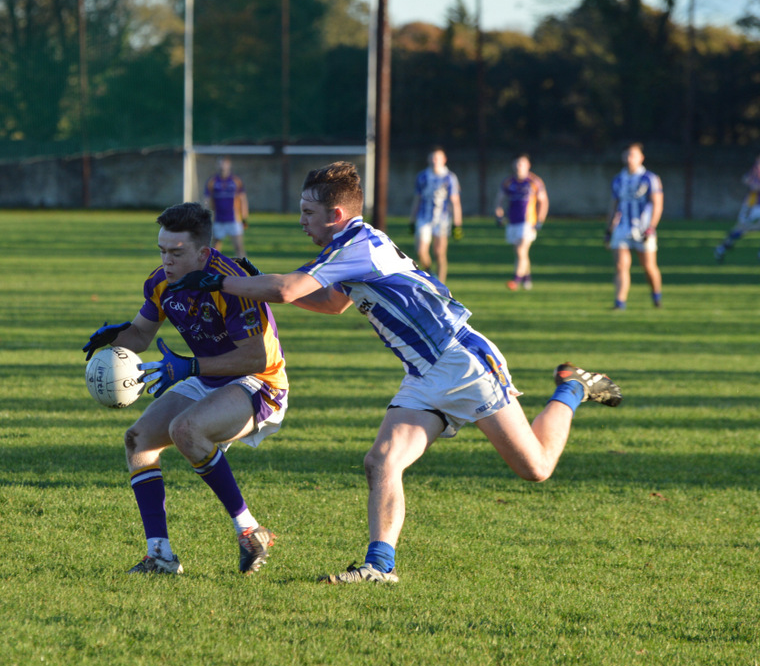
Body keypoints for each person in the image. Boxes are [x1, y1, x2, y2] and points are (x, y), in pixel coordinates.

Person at [169, 162, 622, 585]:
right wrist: (259, 285)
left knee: (536, 468)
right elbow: (330, 302)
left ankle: (571, 387)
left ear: (337, 213)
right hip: (424, 373)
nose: (301, 220)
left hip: (463, 363)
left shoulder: (357, 245)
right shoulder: (346, 247)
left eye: (308, 212)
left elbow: (288, 289)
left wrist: (222, 281)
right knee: (381, 461)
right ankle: (378, 567)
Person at [81, 202, 288, 576]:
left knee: (185, 429)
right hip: (206, 376)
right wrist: (117, 337)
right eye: (162, 251)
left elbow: (255, 359)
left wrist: (188, 367)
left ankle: (248, 530)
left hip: (259, 383)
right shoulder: (161, 282)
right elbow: (142, 334)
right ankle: (159, 554)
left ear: (203, 252)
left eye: (176, 253)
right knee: (138, 440)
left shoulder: (233, 284)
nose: (167, 261)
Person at [605, 143, 663, 310]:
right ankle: (619, 302)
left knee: (649, 267)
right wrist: (609, 229)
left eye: (633, 155)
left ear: (641, 158)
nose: (629, 158)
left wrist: (651, 227)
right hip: (622, 228)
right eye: (627, 155)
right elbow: (614, 205)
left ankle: (656, 296)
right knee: (621, 266)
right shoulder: (618, 179)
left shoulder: (650, 178)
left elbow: (657, 204)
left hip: (643, 229)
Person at [408, 147, 463, 283]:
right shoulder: (422, 176)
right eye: (432, 158)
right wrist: (412, 219)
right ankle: (430, 272)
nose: (434, 161)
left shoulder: (449, 177)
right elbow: (417, 199)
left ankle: (441, 285)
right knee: (421, 251)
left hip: (442, 219)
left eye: (437, 158)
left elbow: (455, 202)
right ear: (428, 159)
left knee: (439, 253)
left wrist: (457, 224)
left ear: (444, 160)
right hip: (424, 217)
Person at [494, 154, 548, 290]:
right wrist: (499, 214)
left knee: (521, 250)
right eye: (517, 164)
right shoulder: (508, 182)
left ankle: (516, 280)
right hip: (513, 222)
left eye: (522, 164)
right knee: (521, 253)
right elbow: (499, 199)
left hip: (528, 222)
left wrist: (540, 220)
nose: (519, 167)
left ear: (528, 165)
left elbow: (544, 201)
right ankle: (527, 278)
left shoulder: (534, 182)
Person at [714, 155, 760, 263]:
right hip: (751, 205)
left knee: (750, 227)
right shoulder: (755, 170)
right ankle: (722, 247)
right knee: (741, 228)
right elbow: (747, 180)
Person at [203, 157, 249, 257]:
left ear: (229, 165)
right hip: (218, 219)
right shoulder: (212, 181)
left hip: (234, 219)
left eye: (224, 164)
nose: (222, 167)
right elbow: (207, 199)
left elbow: (242, 199)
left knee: (238, 247)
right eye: (220, 164)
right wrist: (206, 216)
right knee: (214, 248)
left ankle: (245, 270)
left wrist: (244, 217)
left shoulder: (236, 181)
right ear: (217, 165)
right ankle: (212, 269)